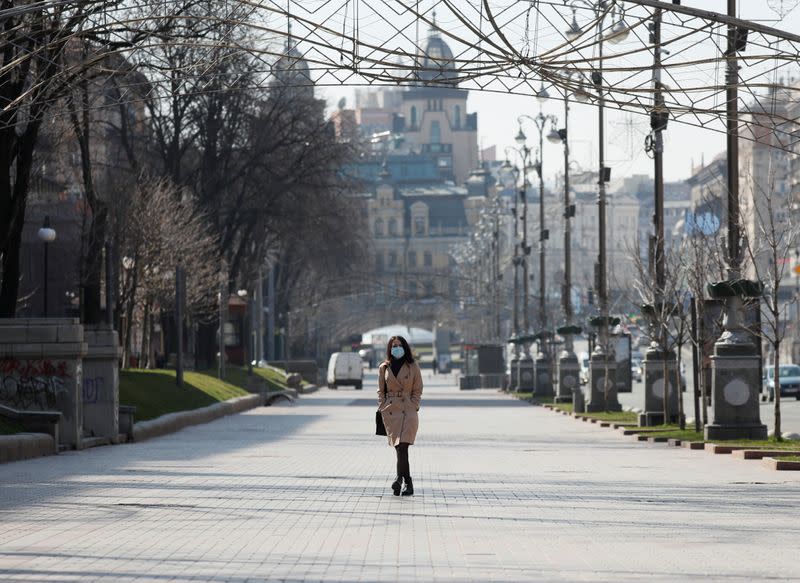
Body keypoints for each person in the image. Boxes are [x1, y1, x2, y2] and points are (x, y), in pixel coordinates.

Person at [377, 335, 423, 496]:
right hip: (391, 411)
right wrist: (382, 406)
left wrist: (414, 404)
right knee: (399, 448)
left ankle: (400, 480)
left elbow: (418, 389)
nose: (397, 348)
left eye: (399, 345)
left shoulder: (412, 366)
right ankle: (405, 482)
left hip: (409, 411)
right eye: (394, 345)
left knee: (403, 446)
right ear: (390, 348)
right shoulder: (384, 367)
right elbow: (380, 390)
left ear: (405, 347)